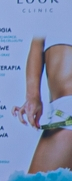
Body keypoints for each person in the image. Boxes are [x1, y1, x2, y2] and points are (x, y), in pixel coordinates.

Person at [13, 34, 72, 173]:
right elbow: (37, 45)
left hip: (67, 110)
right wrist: (33, 96)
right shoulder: (48, 17)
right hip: (61, 108)